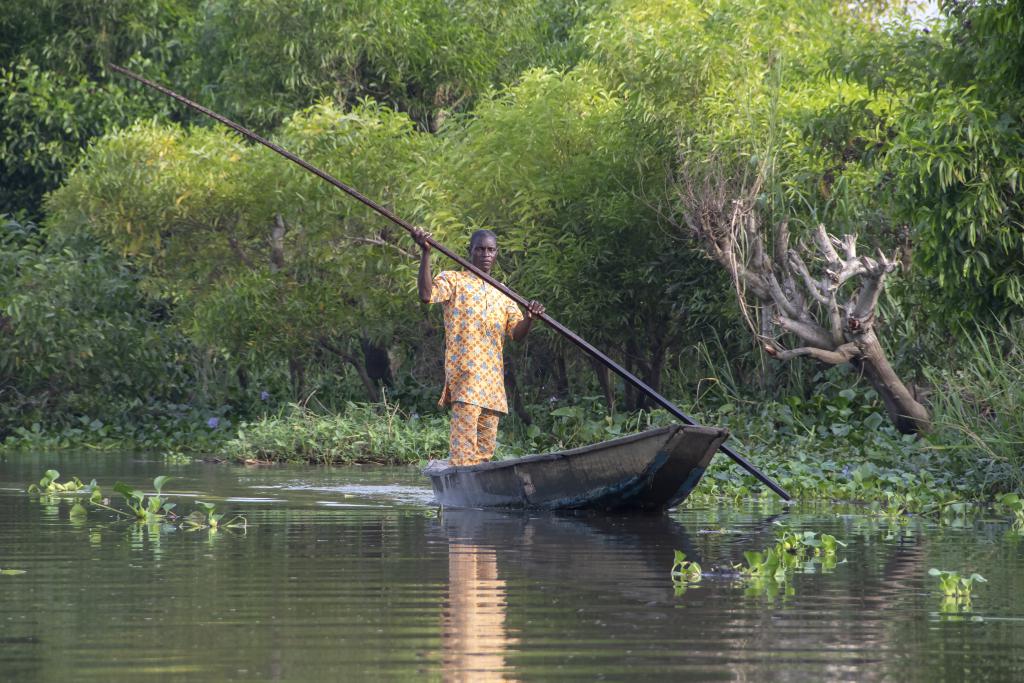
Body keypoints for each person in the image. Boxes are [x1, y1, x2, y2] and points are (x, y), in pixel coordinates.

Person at [412, 227, 544, 467]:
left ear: (496, 254)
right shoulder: (454, 280)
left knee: (484, 455)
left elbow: (516, 333)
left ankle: (481, 491)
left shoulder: (503, 293)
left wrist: (530, 318)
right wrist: (426, 254)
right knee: (463, 455)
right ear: (469, 252)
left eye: (490, 250)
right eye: (480, 249)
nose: (485, 254)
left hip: (492, 385)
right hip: (466, 379)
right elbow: (426, 295)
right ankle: (461, 485)